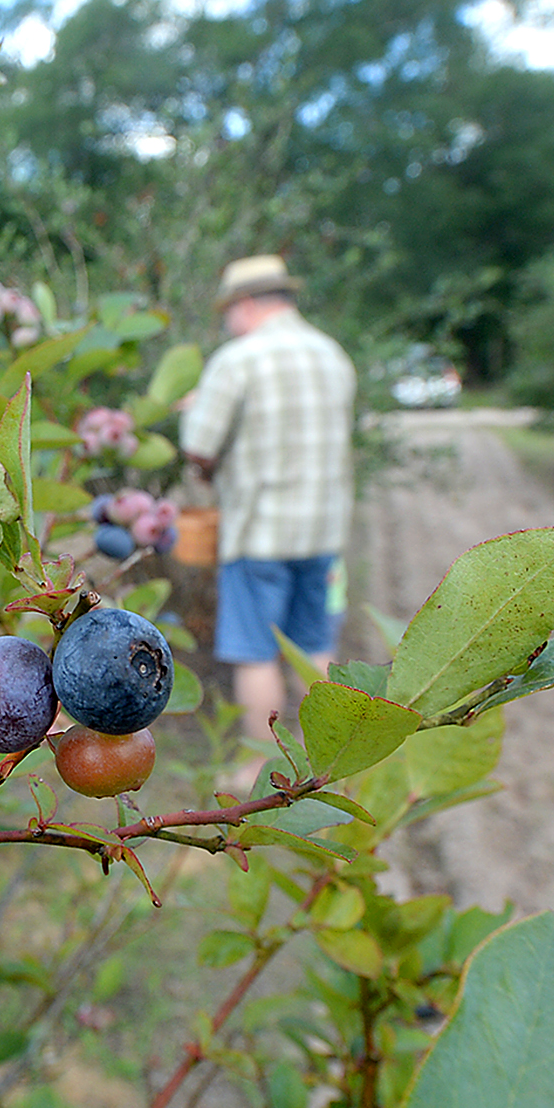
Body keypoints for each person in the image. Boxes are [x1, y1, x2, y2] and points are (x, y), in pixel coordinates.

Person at [178, 254, 356, 768]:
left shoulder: (239, 359)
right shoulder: (332, 355)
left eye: (228, 309)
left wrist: (197, 412)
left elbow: (199, 447)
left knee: (256, 652)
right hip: (323, 532)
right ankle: (330, 761)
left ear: (247, 304)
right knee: (313, 644)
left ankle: (263, 766)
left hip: (259, 533)